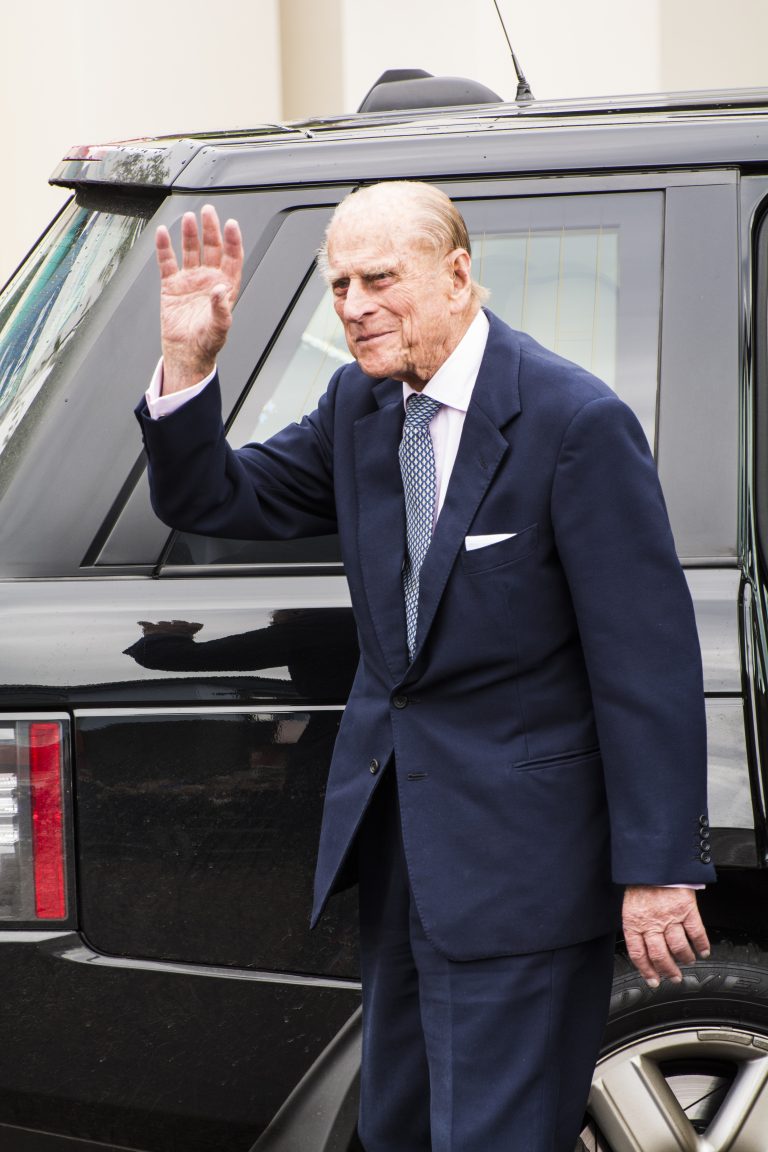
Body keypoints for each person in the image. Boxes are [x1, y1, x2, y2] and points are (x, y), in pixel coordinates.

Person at [136, 182, 716, 1152]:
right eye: (339, 286)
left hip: (527, 869)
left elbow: (646, 661)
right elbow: (212, 498)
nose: (355, 305)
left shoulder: (574, 423)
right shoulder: (356, 408)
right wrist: (189, 364)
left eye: (379, 279)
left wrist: (659, 867)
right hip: (402, 859)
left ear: (457, 276)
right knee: (396, 1131)